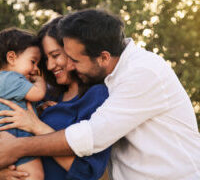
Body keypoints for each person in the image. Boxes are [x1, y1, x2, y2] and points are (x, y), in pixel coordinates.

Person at [0, 9, 200, 180]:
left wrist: (18, 146)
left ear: (103, 57)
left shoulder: (142, 73)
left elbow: (91, 137)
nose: (67, 65)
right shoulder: (54, 93)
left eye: (73, 59)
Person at [0, 17, 110, 180]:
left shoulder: (96, 96)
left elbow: (93, 174)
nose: (50, 66)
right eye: (46, 59)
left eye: (55, 55)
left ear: (74, 52)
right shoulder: (48, 95)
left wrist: (36, 126)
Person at [0, 28, 45, 180]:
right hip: (15, 134)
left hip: (7, 134)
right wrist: (40, 81)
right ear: (11, 58)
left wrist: (40, 108)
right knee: (34, 175)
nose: (35, 69)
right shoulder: (11, 78)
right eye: (33, 62)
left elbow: (23, 105)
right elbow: (38, 93)